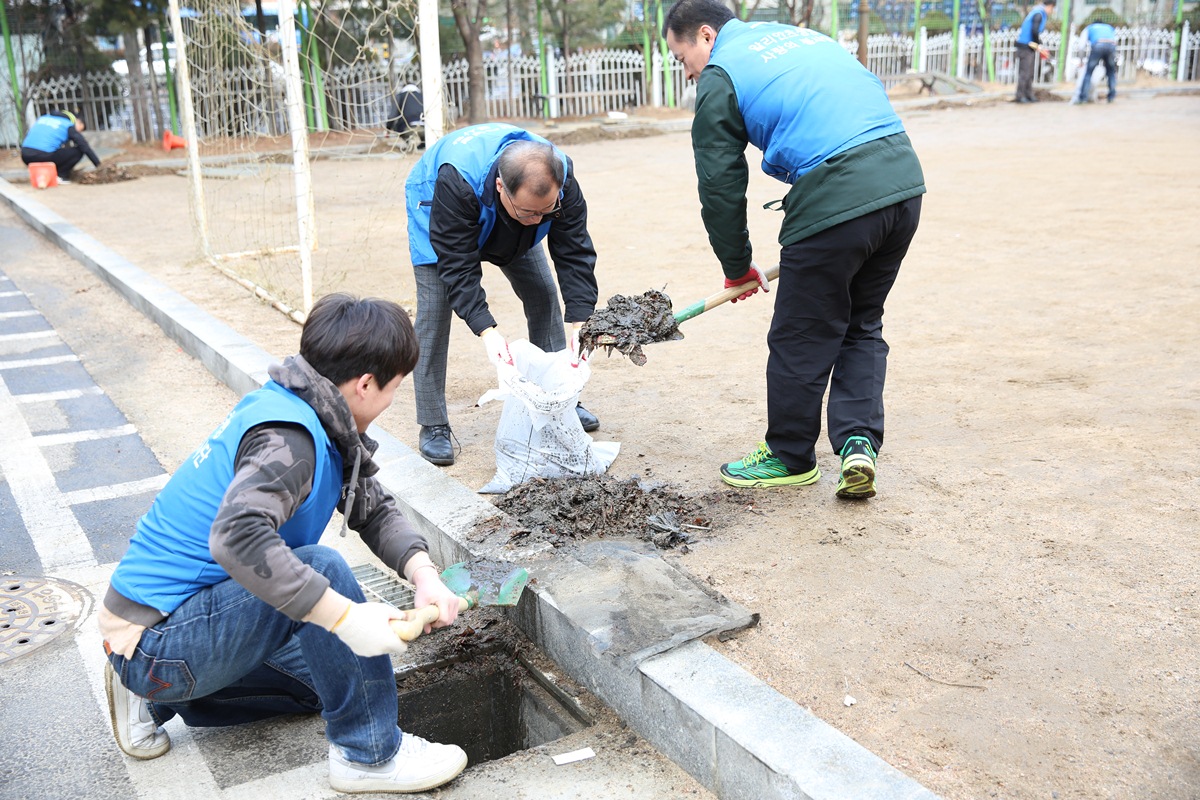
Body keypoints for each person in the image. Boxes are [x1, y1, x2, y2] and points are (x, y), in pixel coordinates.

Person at [99, 293, 470, 794]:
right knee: (323, 570)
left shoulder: (314, 410)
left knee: (329, 683)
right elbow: (237, 537)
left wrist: (423, 573)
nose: (390, 402)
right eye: (394, 389)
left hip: (184, 628)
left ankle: (154, 700)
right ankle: (368, 755)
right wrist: (346, 617)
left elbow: (372, 507)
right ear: (364, 385)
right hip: (157, 640)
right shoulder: (290, 440)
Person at [663, 0, 925, 500]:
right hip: (902, 183)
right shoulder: (799, 37)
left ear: (705, 36)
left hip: (835, 195)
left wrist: (736, 268)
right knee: (861, 323)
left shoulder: (722, 75)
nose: (690, 74)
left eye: (683, 60)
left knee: (801, 334)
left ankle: (789, 455)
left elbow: (719, 184)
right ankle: (857, 445)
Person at [405, 122, 601, 467]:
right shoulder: (457, 181)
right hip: (438, 207)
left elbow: (574, 250)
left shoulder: (560, 180)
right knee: (436, 311)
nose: (538, 219)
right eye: (531, 212)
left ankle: (560, 402)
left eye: (547, 211)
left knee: (543, 293)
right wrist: (486, 330)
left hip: (509, 214)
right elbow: (456, 265)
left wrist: (581, 319)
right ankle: (433, 422)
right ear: (501, 187)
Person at [20, 109, 101, 183]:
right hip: (44, 156)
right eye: (80, 129)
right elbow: (84, 146)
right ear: (76, 121)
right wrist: (99, 165)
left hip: (25, 156)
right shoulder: (68, 124)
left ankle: (44, 176)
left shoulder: (42, 119)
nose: (79, 132)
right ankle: (61, 175)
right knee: (79, 151)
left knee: (56, 150)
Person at [1014, 0, 1058, 104]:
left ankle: (1028, 94)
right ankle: (1020, 96)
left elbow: (1035, 32)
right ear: (1050, 6)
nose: (1051, 11)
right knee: (1025, 72)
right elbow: (1034, 31)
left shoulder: (1037, 12)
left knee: (1030, 72)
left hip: (1029, 46)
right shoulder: (1039, 14)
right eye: (1052, 9)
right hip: (1025, 46)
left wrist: (1039, 44)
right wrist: (1038, 44)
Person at [1076, 21, 1118, 103]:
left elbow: (1081, 46)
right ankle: (1111, 97)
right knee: (1110, 72)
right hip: (1111, 45)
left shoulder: (1089, 28)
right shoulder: (1109, 27)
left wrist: (1081, 60)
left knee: (1088, 73)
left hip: (1098, 45)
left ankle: (1083, 98)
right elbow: (1115, 40)